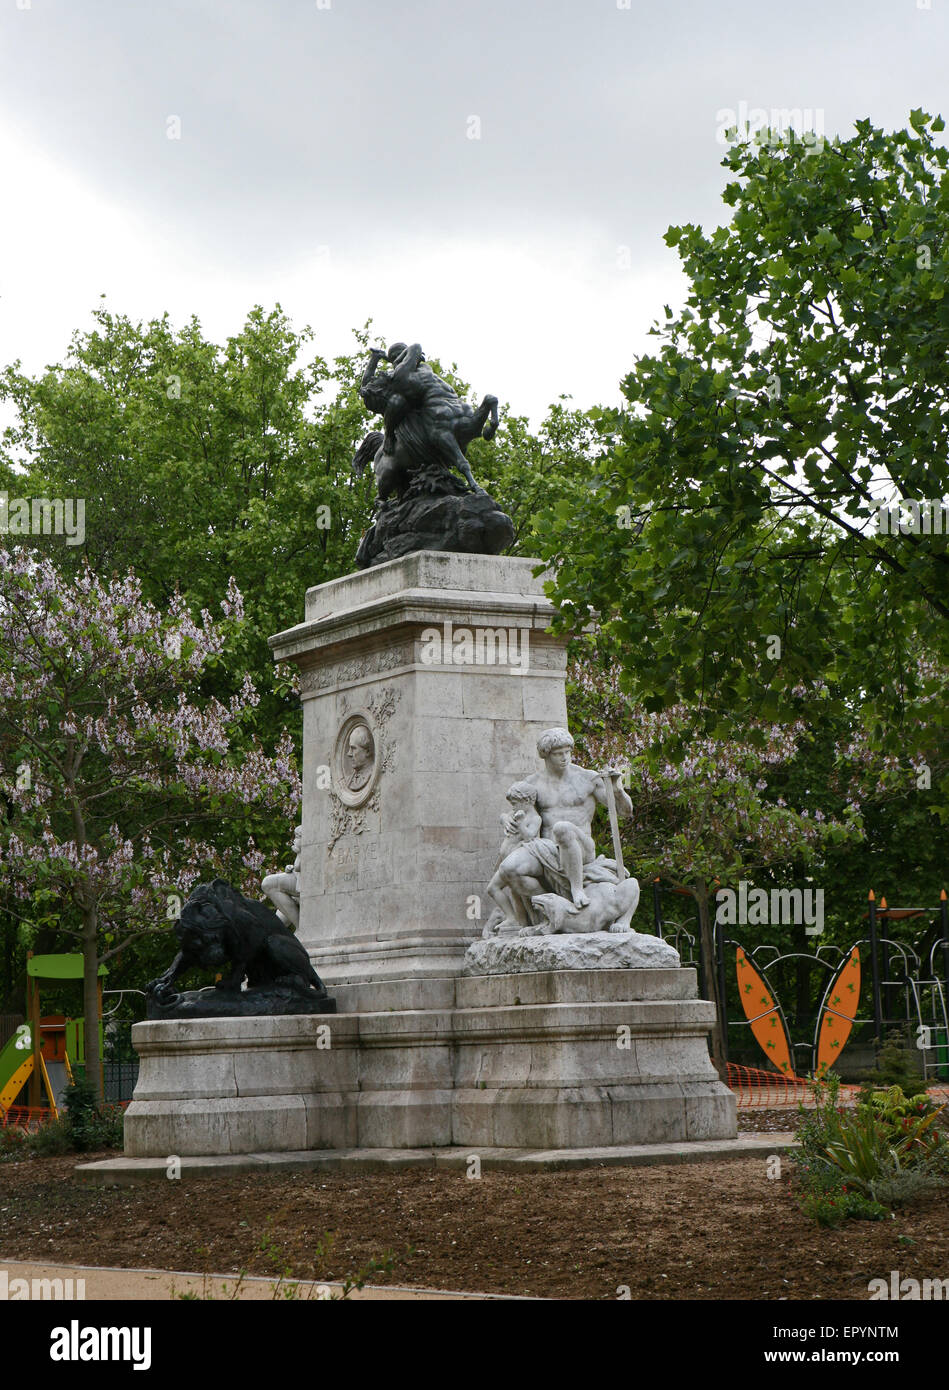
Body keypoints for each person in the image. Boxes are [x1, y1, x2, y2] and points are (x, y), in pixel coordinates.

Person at [488, 728, 632, 928]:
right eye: (558, 754)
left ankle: (577, 889)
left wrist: (617, 791)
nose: (565, 758)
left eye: (567, 752)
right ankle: (549, 907)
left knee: (563, 828)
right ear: (546, 755)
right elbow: (518, 810)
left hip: (581, 848)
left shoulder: (587, 778)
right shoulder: (533, 783)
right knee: (509, 869)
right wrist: (505, 819)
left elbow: (624, 812)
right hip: (547, 849)